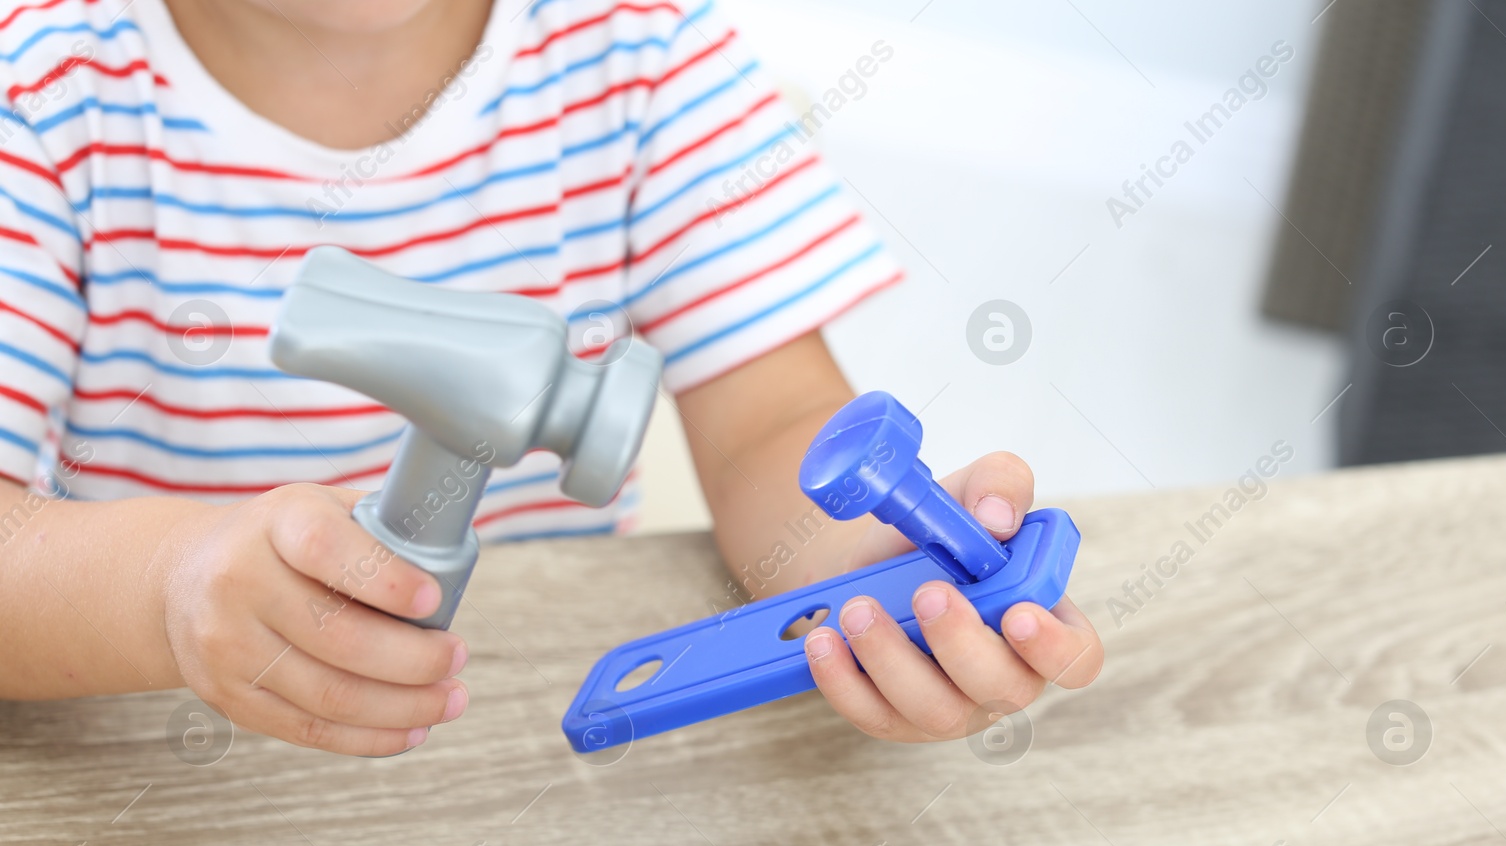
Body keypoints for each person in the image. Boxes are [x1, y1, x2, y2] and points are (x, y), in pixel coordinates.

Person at [0, 0, 1101, 755]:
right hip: (153, 760)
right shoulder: (38, 81)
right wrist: (173, 590)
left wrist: (869, 580)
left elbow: (769, 429)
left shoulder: (636, 44)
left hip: (532, 738)